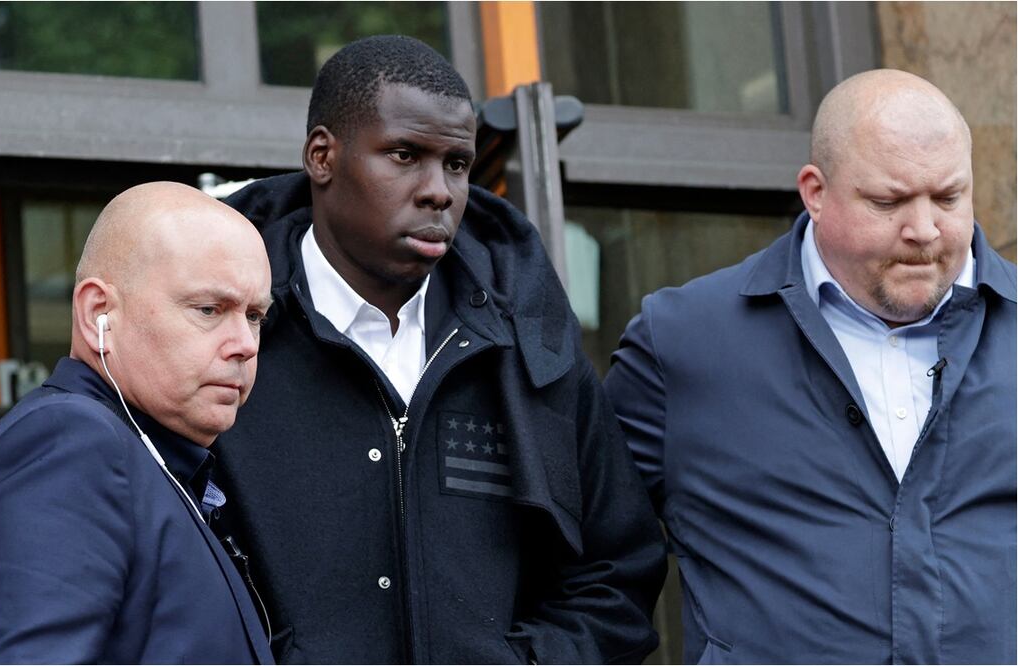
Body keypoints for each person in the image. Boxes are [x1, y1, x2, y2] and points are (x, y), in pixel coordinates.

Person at [213, 35, 665, 664]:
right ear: (323, 156)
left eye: (456, 164)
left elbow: (619, 568)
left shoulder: (528, 340)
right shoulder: (226, 338)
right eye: (404, 155)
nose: (440, 192)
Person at [605, 69, 1016, 664]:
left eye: (949, 197)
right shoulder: (682, 343)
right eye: (888, 200)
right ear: (815, 192)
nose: (924, 230)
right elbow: (587, 567)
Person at [0, 182, 276, 663]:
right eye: (209, 309)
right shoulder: (68, 447)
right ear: (99, 312)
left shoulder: (148, 454)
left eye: (256, 315)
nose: (245, 342)